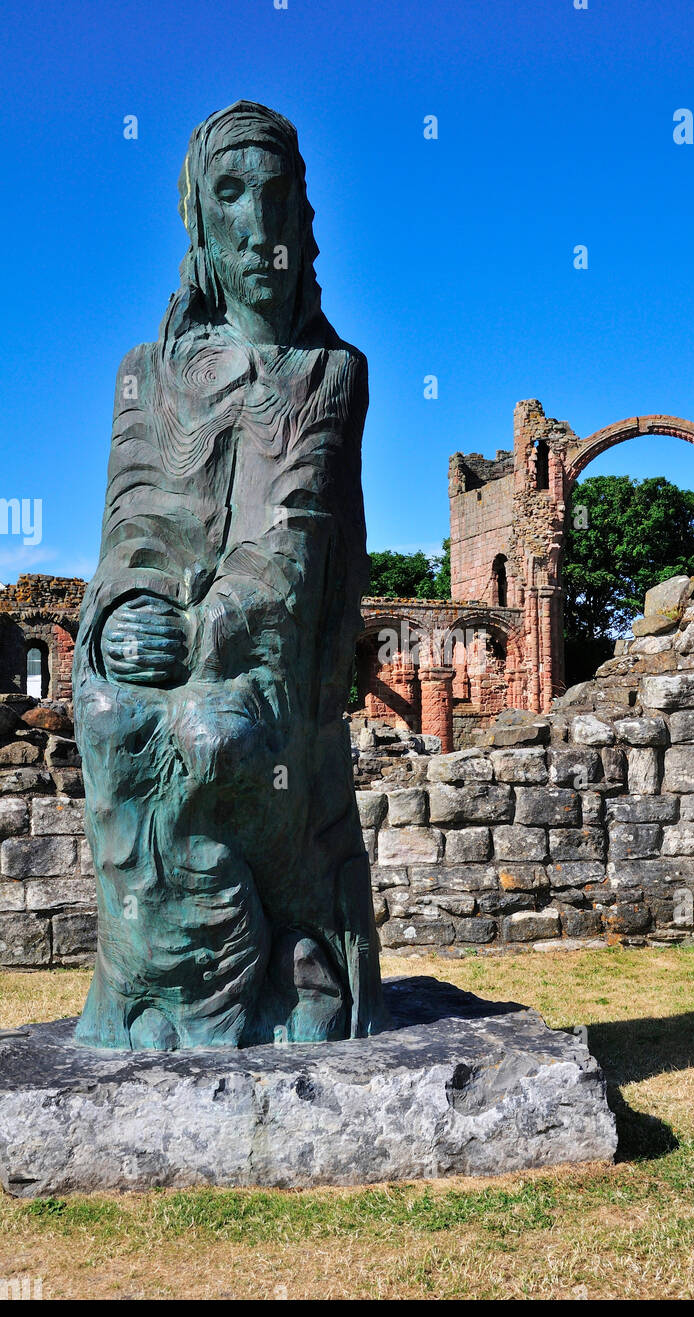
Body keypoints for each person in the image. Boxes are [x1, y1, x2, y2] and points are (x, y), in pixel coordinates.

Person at [73, 101, 385, 1049]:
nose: (256, 224)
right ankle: (153, 990)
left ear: (301, 219)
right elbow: (130, 526)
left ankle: (281, 961)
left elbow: (291, 542)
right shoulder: (147, 372)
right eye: (229, 195)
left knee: (215, 733)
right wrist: (125, 615)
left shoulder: (330, 372)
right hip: (169, 638)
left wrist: (206, 635)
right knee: (110, 714)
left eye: (275, 196)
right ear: (200, 224)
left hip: (275, 660)